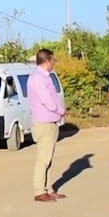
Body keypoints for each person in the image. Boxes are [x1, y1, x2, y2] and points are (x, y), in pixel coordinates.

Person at [28, 48, 66, 202]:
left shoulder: (45, 77)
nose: (53, 63)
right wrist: (60, 110)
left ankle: (48, 189)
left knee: (48, 158)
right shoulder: (38, 78)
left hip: (50, 121)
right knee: (43, 158)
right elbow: (47, 100)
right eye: (53, 60)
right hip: (44, 122)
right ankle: (39, 191)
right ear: (47, 61)